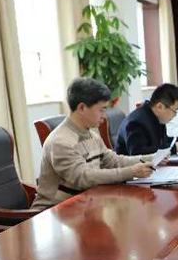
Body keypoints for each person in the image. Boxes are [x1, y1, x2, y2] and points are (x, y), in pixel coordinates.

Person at [32, 78, 154, 209]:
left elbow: (113, 161)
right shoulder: (60, 142)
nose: (104, 116)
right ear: (81, 108)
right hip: (54, 211)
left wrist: (150, 158)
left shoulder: (92, 136)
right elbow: (83, 178)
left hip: (84, 206)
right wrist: (132, 172)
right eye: (101, 110)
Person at [115, 83, 178, 156]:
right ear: (160, 106)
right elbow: (138, 153)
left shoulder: (156, 117)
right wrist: (175, 148)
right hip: (129, 167)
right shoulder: (137, 122)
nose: (175, 115)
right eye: (175, 110)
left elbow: (164, 142)